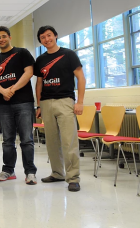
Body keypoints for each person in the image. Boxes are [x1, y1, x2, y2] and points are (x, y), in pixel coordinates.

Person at [34, 25, 85, 192]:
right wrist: (39, 105)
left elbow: (80, 77)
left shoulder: (68, 54)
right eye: (43, 37)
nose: (47, 39)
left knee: (69, 141)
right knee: (51, 141)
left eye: (49, 35)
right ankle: (57, 173)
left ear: (55, 36)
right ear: (40, 41)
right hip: (46, 103)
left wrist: (80, 101)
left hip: (65, 100)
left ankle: (73, 178)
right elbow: (39, 83)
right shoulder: (40, 60)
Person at [0, 26, 38, 185]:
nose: (1, 39)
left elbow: (29, 72)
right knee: (7, 140)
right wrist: (4, 91)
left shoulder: (22, 53)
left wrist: (13, 89)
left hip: (23, 102)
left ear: (10, 37)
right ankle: (8, 170)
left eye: (4, 36)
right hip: (4, 105)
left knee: (26, 139)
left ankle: (30, 172)